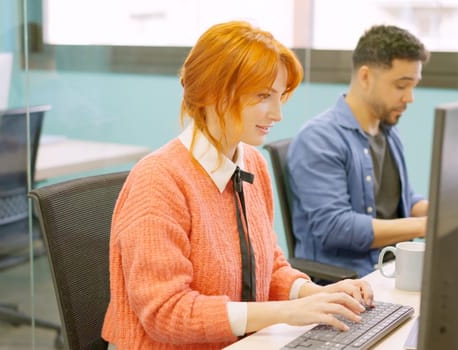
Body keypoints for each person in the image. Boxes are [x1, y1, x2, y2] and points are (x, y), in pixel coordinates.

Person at [101, 21, 374, 349]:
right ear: (214, 93)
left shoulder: (251, 163)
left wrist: (315, 294)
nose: (277, 114)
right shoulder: (159, 180)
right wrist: (286, 312)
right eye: (263, 96)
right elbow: (166, 313)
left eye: (279, 97)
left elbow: (266, 268)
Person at [287, 25, 430, 278]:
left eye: (413, 86)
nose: (410, 97)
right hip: (350, 283)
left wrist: (441, 211)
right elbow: (336, 228)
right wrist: (423, 226)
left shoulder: (388, 131)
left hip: (392, 269)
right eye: (401, 85)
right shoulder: (319, 139)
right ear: (365, 77)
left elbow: (401, 199)